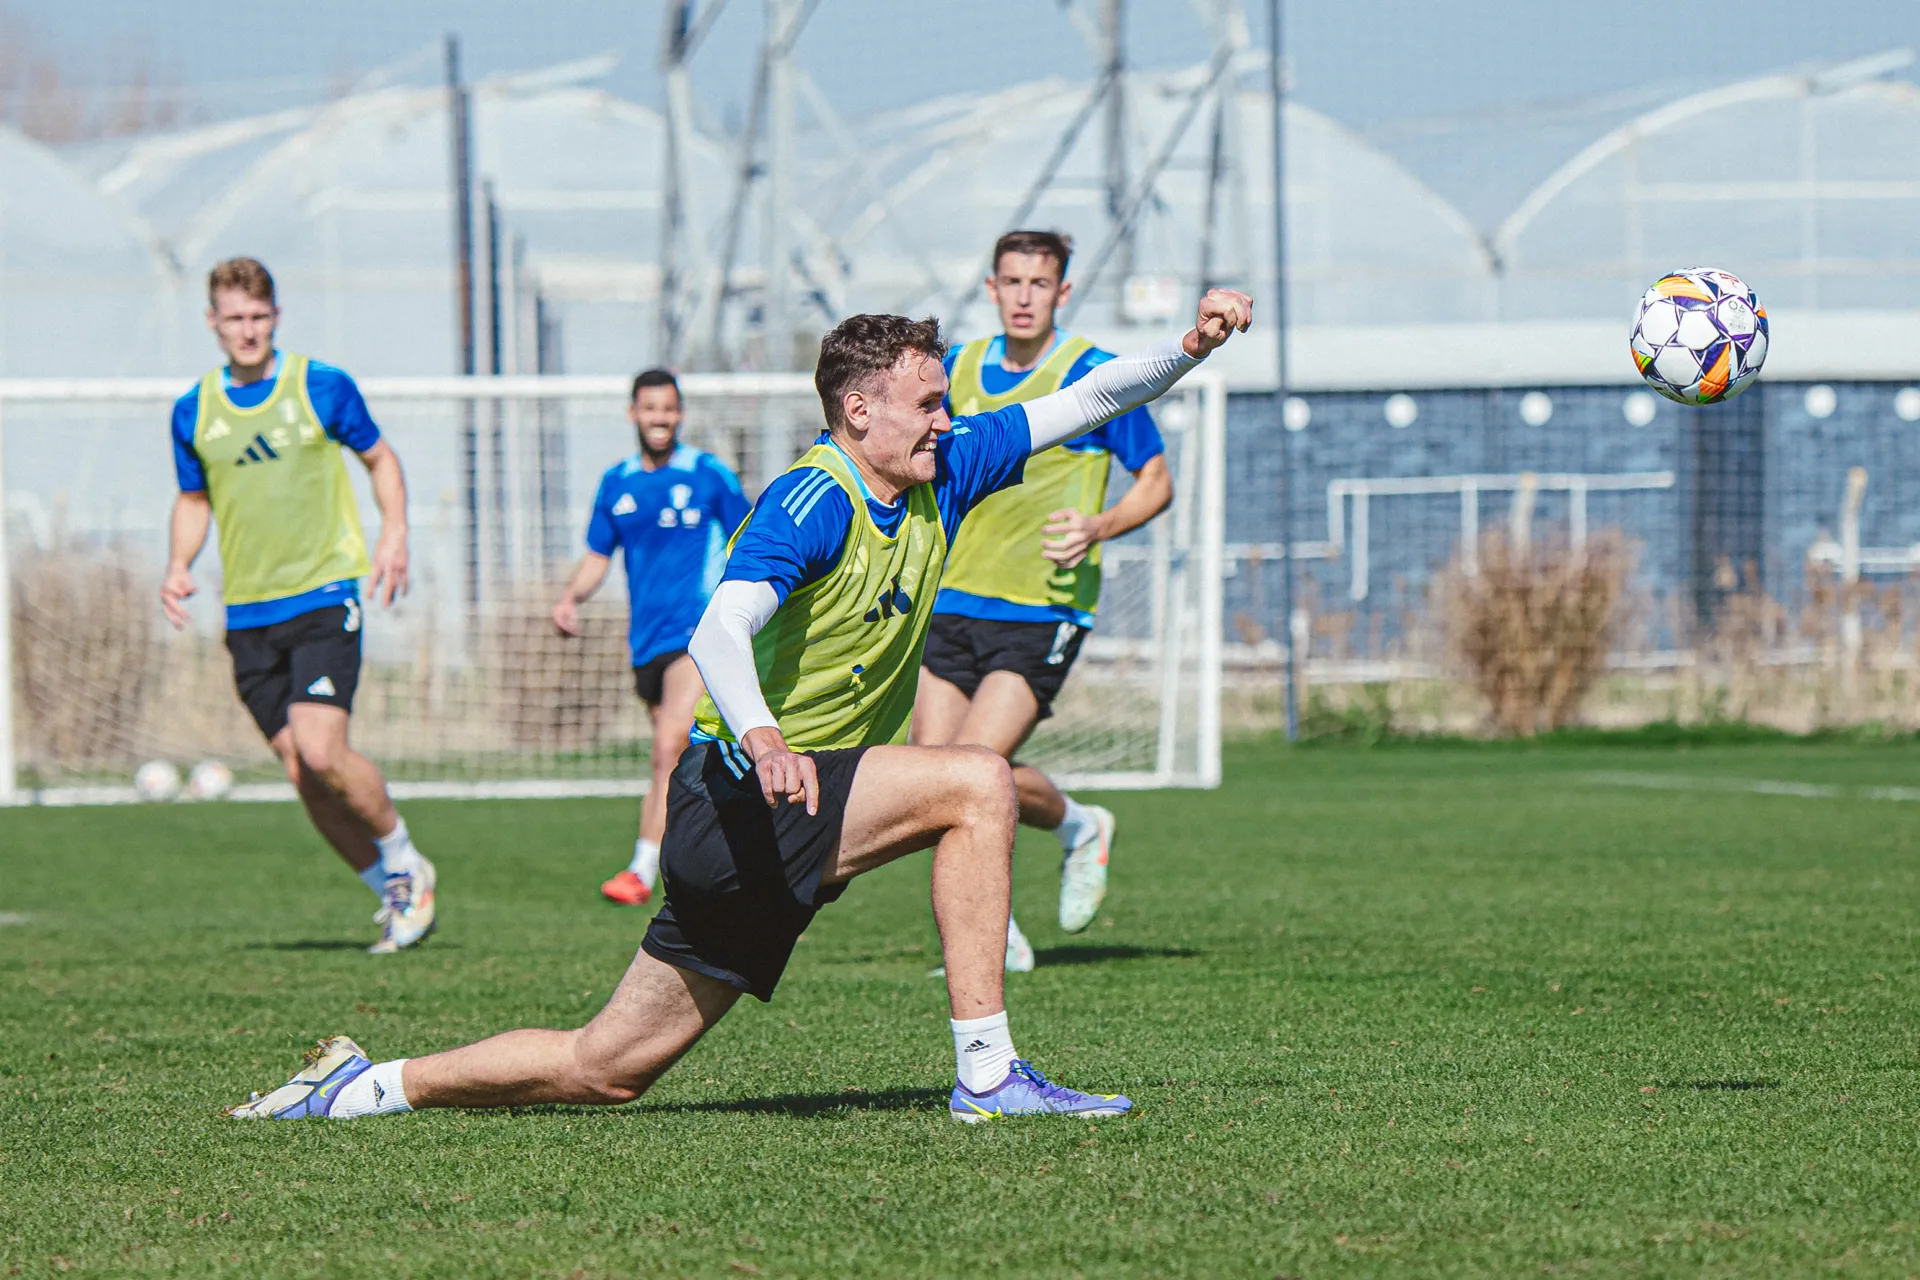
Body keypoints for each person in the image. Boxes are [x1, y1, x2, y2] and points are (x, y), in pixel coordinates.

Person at [228, 289, 1251, 1124]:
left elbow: (1088, 399)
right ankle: (988, 1074)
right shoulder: (812, 498)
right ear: (860, 411)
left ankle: (364, 1086)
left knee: (606, 1065)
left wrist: (1190, 347)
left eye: (946, 403)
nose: (948, 418)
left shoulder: (947, 465)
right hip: (739, 803)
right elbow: (719, 628)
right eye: (928, 403)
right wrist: (761, 732)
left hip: (785, 809)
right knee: (978, 784)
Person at [161, 257, 436, 955]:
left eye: (259, 316)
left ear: (276, 316)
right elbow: (193, 499)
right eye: (235, 318)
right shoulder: (194, 410)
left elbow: (380, 458)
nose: (248, 330)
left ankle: (406, 859)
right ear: (212, 322)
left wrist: (395, 532)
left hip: (323, 594)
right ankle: (392, 890)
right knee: (301, 771)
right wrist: (178, 565)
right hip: (248, 615)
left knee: (320, 748)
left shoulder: (320, 385)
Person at [915, 230, 1173, 969]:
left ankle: (998, 937)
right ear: (991, 289)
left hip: (1042, 609)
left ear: (1062, 292)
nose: (1024, 296)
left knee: (974, 766)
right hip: (952, 599)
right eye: (1012, 282)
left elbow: (1156, 481)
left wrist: (1100, 525)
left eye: (1039, 283)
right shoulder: (957, 369)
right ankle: (1077, 827)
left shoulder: (1091, 375)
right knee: (931, 778)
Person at [553, 369, 750, 906]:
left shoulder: (708, 475)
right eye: (649, 408)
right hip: (647, 642)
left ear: (679, 413)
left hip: (697, 633)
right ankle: (711, 857)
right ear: (633, 413)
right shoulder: (616, 482)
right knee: (684, 763)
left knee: (668, 746)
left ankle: (640, 871)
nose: (659, 418)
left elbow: (749, 540)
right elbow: (598, 557)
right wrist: (570, 598)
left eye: (668, 408)